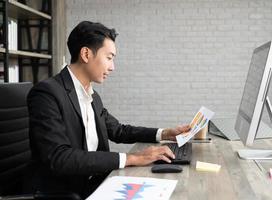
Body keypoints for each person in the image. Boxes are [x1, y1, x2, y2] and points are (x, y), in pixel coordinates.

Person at [27, 21, 190, 198]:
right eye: (109, 57)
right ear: (86, 54)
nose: (112, 67)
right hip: (66, 192)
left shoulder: (92, 96)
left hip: (99, 182)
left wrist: (164, 133)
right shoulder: (47, 93)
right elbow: (60, 158)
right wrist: (132, 158)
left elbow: (119, 131)